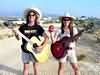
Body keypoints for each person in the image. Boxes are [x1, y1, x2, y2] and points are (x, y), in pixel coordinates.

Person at [14, 7, 49, 75]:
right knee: (25, 68)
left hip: (35, 50)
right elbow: (18, 38)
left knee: (36, 68)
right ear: (27, 16)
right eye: (29, 15)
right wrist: (16, 34)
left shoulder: (38, 27)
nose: (31, 16)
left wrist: (42, 47)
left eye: (33, 15)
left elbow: (47, 38)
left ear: (36, 17)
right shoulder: (23, 27)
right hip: (25, 50)